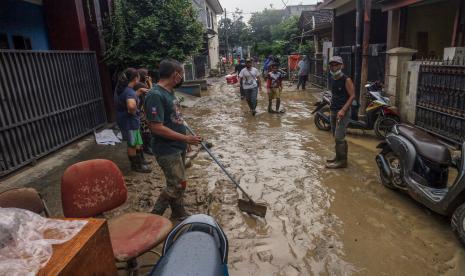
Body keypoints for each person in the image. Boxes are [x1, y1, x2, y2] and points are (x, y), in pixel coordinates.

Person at [144, 58, 202, 219]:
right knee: (176, 185)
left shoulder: (169, 92)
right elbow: (156, 127)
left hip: (178, 145)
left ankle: (178, 212)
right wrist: (184, 138)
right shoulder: (155, 95)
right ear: (175, 75)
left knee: (179, 182)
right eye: (182, 74)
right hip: (166, 149)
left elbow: (175, 118)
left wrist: (186, 140)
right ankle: (154, 218)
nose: (182, 77)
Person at [114, 68, 152, 173]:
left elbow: (127, 98)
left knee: (136, 140)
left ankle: (141, 161)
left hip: (125, 119)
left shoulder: (121, 88)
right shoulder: (129, 91)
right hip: (129, 121)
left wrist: (139, 91)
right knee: (132, 143)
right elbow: (131, 106)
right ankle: (136, 166)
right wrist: (135, 111)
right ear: (136, 78)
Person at [326, 56, 355, 169]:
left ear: (341, 66)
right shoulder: (333, 78)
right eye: (332, 65)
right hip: (333, 109)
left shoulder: (346, 79)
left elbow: (352, 96)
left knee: (339, 136)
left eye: (336, 65)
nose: (333, 67)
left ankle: (342, 162)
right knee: (335, 135)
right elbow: (334, 94)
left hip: (343, 111)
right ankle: (338, 157)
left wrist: (343, 110)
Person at [134, 68, 154, 159]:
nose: (148, 76)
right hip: (141, 109)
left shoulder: (140, 84)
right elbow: (152, 92)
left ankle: (146, 147)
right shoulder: (140, 85)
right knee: (145, 128)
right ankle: (147, 147)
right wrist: (150, 82)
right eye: (146, 75)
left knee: (144, 129)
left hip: (141, 108)